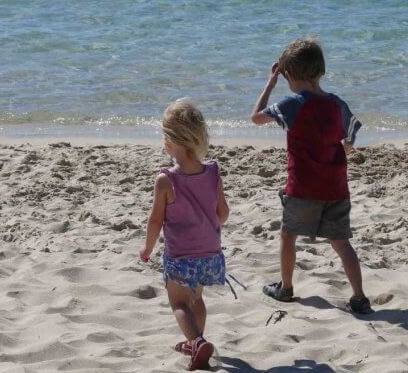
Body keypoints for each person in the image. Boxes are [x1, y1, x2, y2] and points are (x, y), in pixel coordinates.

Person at [250, 37, 372, 315]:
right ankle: (359, 297)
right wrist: (342, 148)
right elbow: (350, 141)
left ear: (288, 75)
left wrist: (270, 84)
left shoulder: (294, 103)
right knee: (341, 243)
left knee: (288, 235)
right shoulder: (337, 104)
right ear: (321, 72)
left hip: (302, 187)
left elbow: (256, 117)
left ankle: (286, 288)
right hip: (336, 187)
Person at [140, 99, 230, 371]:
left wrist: (147, 249)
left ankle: (197, 342)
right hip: (210, 253)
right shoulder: (213, 171)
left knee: (179, 304)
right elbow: (223, 213)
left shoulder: (166, 180)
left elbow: (156, 221)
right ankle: (196, 340)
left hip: (181, 256)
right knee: (197, 299)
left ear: (169, 141)